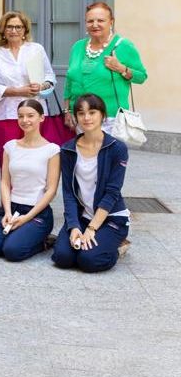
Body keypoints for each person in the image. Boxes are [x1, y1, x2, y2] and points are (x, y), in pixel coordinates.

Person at [52, 94, 131, 273]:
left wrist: (92, 228)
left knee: (89, 260)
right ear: (76, 117)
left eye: (92, 112)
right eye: (81, 113)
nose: (86, 118)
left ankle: (117, 248)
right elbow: (68, 193)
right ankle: (86, 239)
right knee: (62, 257)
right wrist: (73, 226)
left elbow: (112, 192)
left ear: (102, 115)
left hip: (111, 218)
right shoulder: (67, 149)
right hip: (82, 216)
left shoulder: (117, 148)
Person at [0, 100, 60, 262]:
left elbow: (51, 190)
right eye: (21, 116)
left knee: (12, 251)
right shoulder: (10, 147)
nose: (25, 120)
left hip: (37, 212)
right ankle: (21, 234)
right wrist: (7, 212)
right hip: (12, 208)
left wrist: (27, 217)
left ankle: (44, 241)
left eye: (30, 116)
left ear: (41, 118)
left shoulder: (52, 150)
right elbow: (4, 182)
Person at [64, 2, 147, 136]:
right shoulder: (77, 47)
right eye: (90, 21)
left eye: (100, 20)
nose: (95, 24)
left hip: (111, 119)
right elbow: (69, 81)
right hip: (81, 117)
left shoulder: (123, 46)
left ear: (111, 22)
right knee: (86, 155)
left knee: (108, 156)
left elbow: (141, 76)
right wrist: (67, 110)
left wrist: (121, 68)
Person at [0, 11, 57, 162]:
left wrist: (41, 86)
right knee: (9, 160)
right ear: (3, 31)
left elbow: (50, 77)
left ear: (25, 30)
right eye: (9, 27)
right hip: (6, 115)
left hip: (34, 113)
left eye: (18, 27)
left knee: (37, 159)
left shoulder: (36, 49)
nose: (14, 30)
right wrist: (18, 91)